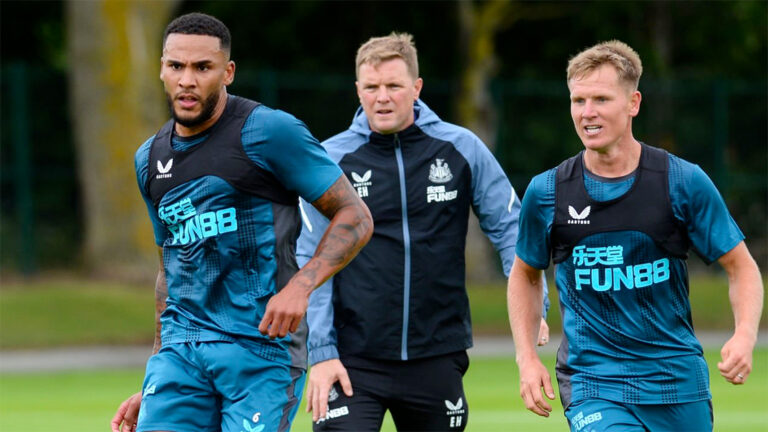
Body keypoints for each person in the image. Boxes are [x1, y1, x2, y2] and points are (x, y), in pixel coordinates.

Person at [109, 12, 373, 432]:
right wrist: (156, 373)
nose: (187, 80)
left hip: (260, 350)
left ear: (227, 72)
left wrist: (300, 287)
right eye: (176, 66)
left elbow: (355, 217)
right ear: (161, 68)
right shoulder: (148, 158)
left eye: (202, 67)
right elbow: (169, 269)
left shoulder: (269, 132)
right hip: (180, 356)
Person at [297, 32, 549, 432]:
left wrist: (536, 310)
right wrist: (323, 351)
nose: (382, 97)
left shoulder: (461, 148)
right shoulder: (330, 160)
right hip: (352, 359)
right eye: (372, 87)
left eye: (394, 86)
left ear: (416, 88)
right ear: (357, 90)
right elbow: (311, 260)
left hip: (437, 354)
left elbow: (512, 231)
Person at [507, 40, 764, 431]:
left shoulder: (682, 181)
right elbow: (525, 274)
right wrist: (526, 358)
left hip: (677, 382)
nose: (587, 113)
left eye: (601, 99)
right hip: (593, 382)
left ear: (633, 103)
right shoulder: (548, 192)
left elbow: (741, 267)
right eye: (578, 101)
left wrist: (744, 336)